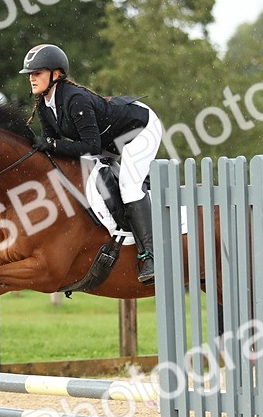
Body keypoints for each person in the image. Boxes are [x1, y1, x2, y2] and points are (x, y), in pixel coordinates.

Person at [19, 43, 163, 285]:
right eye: (31, 75)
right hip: (110, 138)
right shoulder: (44, 104)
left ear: (56, 74)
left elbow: (90, 147)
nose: (32, 79)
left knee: (130, 187)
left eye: (38, 73)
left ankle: (149, 256)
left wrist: (51, 146)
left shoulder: (75, 100)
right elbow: (52, 145)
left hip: (139, 130)